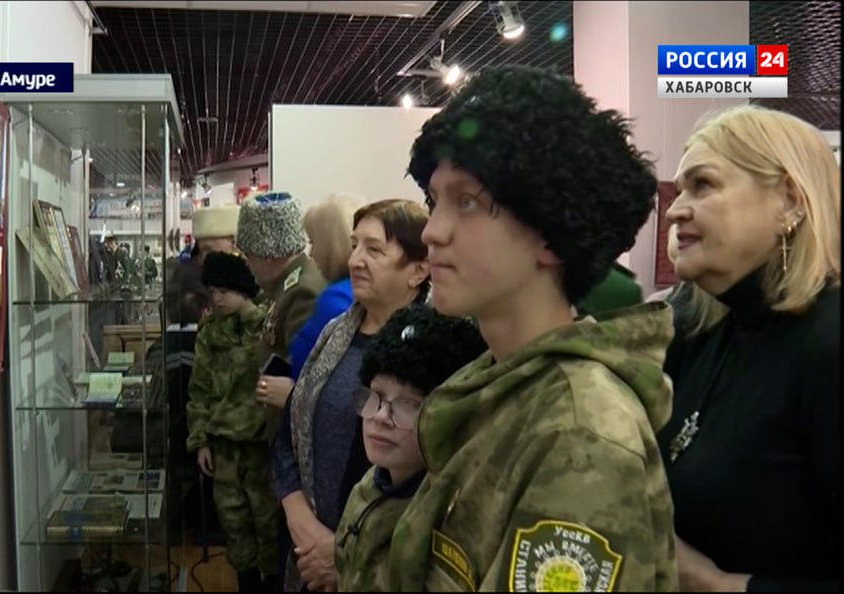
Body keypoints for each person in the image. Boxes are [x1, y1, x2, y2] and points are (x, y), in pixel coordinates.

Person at [386, 65, 676, 591]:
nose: (432, 231)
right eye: (434, 201)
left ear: (550, 236)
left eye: (467, 202)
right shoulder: (496, 385)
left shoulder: (579, 434)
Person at [658, 105, 840, 592]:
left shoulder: (828, 345)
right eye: (680, 190)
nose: (674, 210)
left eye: (703, 185)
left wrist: (720, 585)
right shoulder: (697, 330)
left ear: (789, 202)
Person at [274, 199, 431, 592]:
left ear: (418, 270)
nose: (355, 260)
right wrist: (300, 520)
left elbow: (433, 477)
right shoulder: (334, 334)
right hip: (305, 546)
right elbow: (289, 428)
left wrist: (343, 551)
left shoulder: (435, 350)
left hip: (383, 562)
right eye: (354, 245)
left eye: (374, 249)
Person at [335, 304, 486, 591]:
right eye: (376, 395)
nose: (381, 416)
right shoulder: (370, 485)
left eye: (411, 405)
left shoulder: (453, 521)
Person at [186, 251, 279, 592]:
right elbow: (199, 390)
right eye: (212, 292)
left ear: (242, 288)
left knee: (269, 524)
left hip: (262, 446)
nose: (217, 298)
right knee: (234, 524)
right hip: (224, 446)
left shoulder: (269, 326)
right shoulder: (210, 333)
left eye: (224, 291)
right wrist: (200, 441)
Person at [236, 191, 325, 420]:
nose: (247, 265)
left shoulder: (302, 292)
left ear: (267, 253)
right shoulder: (286, 287)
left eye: (249, 256)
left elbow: (304, 374)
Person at [289, 193, 367, 379]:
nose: (311, 253)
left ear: (331, 244)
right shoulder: (365, 292)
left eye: (313, 242)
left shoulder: (335, 298)